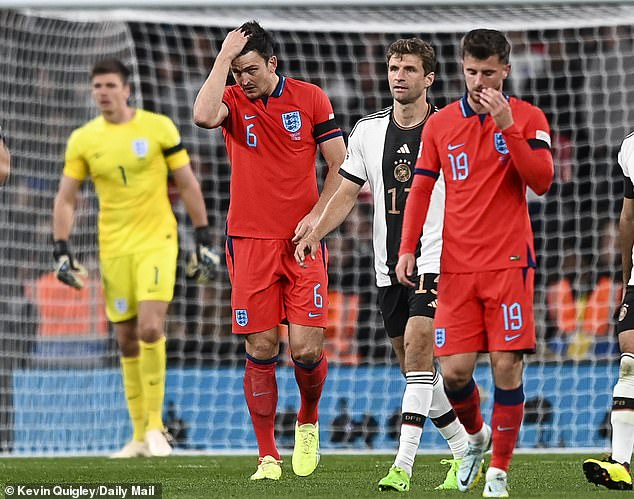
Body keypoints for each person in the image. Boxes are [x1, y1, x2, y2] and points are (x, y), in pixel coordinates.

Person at [295, 38, 471, 492]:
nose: (399, 76)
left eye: (409, 69)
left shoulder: (452, 129)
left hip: (438, 260)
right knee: (415, 369)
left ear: (429, 79)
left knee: (418, 348)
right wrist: (316, 230)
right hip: (387, 266)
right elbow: (349, 193)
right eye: (394, 68)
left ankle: (402, 466)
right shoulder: (368, 131)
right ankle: (464, 448)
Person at [396, 29, 553, 497]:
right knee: (457, 372)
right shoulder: (442, 124)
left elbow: (541, 181)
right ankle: (478, 437)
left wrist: (507, 126)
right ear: (462, 69)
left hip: (509, 264)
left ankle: (498, 474)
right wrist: (408, 247)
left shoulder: (527, 117)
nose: (479, 81)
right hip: (456, 267)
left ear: (506, 70)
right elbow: (421, 188)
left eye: (488, 73)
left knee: (507, 367)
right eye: (471, 72)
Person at [193, 21, 346, 480]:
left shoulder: (311, 97)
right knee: (260, 346)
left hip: (302, 242)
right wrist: (223, 59)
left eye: (251, 69)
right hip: (248, 241)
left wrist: (317, 219)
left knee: (304, 348)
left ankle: (308, 420)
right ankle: (267, 455)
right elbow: (202, 116)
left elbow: (340, 165)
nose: (244, 78)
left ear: (273, 63)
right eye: (237, 70)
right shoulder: (231, 101)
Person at [53, 58, 217, 458]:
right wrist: (61, 248)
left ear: (127, 89)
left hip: (157, 241)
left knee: (148, 328)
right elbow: (67, 198)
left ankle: (158, 428)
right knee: (125, 338)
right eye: (97, 86)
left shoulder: (158, 127)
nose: (103, 92)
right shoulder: (83, 139)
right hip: (113, 247)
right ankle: (139, 434)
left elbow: (187, 182)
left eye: (110, 85)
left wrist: (202, 237)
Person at [583, 131, 634, 491]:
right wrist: (627, 276)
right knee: (629, 358)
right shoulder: (631, 147)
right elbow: (628, 217)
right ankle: (621, 464)